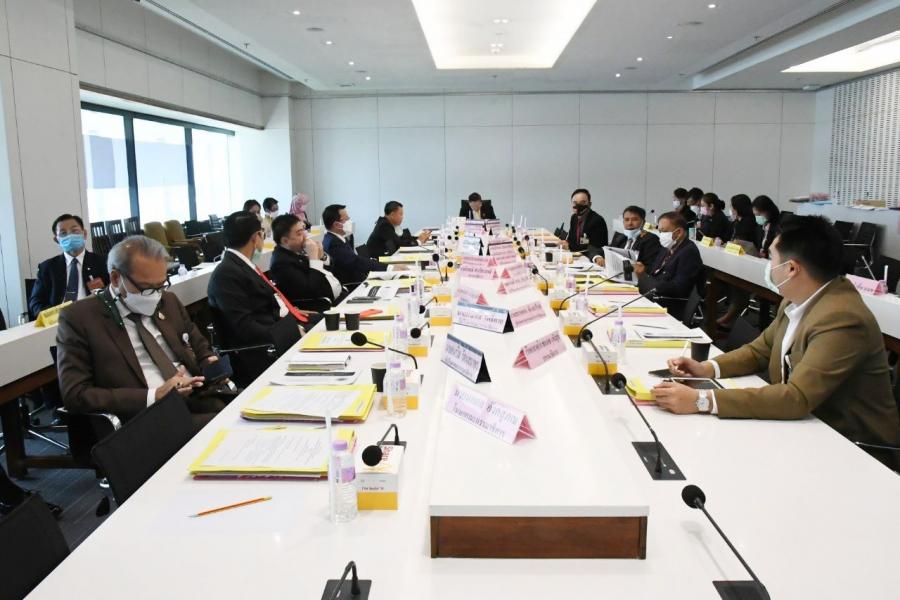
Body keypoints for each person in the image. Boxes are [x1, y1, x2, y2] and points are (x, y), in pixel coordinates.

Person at [652, 216, 900, 471]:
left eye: (772, 258)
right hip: (806, 430)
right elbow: (759, 351)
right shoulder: (797, 299)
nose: (769, 266)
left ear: (791, 269)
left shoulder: (842, 318)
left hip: (854, 452)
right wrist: (706, 368)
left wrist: (701, 400)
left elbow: (796, 397)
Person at [56, 236, 232, 428]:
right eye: (147, 288)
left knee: (239, 415)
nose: (155, 296)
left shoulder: (168, 301)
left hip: (195, 397)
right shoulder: (80, 318)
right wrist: (154, 395)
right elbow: (75, 394)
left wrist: (210, 363)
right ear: (115, 278)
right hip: (143, 416)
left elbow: (200, 346)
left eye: (161, 285)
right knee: (226, 426)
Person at [207, 211, 310, 386]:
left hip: (275, 335)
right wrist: (290, 332)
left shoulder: (241, 265)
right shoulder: (227, 274)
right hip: (260, 353)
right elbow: (245, 327)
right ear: (256, 237)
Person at [28, 214, 109, 319]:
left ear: (84, 234)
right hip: (59, 321)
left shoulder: (103, 262)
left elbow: (114, 295)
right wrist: (53, 317)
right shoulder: (47, 268)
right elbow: (35, 303)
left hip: (94, 317)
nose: (69, 236)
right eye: (63, 233)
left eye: (75, 231)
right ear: (57, 240)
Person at [634, 211, 703, 317]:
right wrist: (641, 269)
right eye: (660, 231)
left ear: (679, 232)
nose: (661, 235)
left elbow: (679, 288)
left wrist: (647, 280)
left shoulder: (689, 252)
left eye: (664, 231)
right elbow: (654, 270)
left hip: (668, 304)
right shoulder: (668, 247)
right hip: (652, 294)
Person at [270, 214, 342, 307]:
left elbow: (331, 270)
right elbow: (311, 290)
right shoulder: (281, 264)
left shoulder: (296, 249)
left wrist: (322, 256)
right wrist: (313, 258)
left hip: (339, 295)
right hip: (324, 305)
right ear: (285, 241)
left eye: (304, 230)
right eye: (299, 233)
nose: (305, 236)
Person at [716, 194, 760, 327]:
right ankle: (729, 316)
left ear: (738, 208)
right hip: (737, 260)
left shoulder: (748, 222)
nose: (731, 209)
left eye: (732, 207)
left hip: (746, 262)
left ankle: (730, 319)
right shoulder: (738, 222)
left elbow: (740, 243)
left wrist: (727, 244)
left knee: (739, 291)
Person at [321, 204, 388, 288]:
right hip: (353, 286)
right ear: (336, 225)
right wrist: (388, 267)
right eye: (346, 219)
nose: (349, 222)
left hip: (359, 279)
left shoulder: (336, 238)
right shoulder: (334, 244)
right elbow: (356, 262)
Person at [594, 206, 661, 268]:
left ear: (643, 222)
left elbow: (649, 267)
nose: (630, 223)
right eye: (626, 220)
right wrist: (597, 257)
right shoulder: (620, 236)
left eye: (634, 220)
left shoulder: (651, 239)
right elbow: (602, 251)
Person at [366, 201, 431, 258]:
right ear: (392, 215)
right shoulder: (384, 225)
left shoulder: (386, 223)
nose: (402, 217)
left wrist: (418, 238)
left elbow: (400, 239)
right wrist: (418, 241)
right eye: (400, 214)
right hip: (375, 262)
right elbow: (399, 243)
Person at [564, 188, 608, 253]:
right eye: (575, 203)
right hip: (576, 254)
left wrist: (570, 246)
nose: (578, 206)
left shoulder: (597, 221)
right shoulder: (574, 217)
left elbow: (593, 247)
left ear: (589, 204)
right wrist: (565, 242)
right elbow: (571, 239)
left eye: (582, 203)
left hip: (592, 256)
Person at [752, 195, 781, 259]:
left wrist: (766, 255)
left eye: (759, 214)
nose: (757, 217)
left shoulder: (778, 226)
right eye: (756, 215)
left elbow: (777, 249)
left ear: (768, 210)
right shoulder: (761, 227)